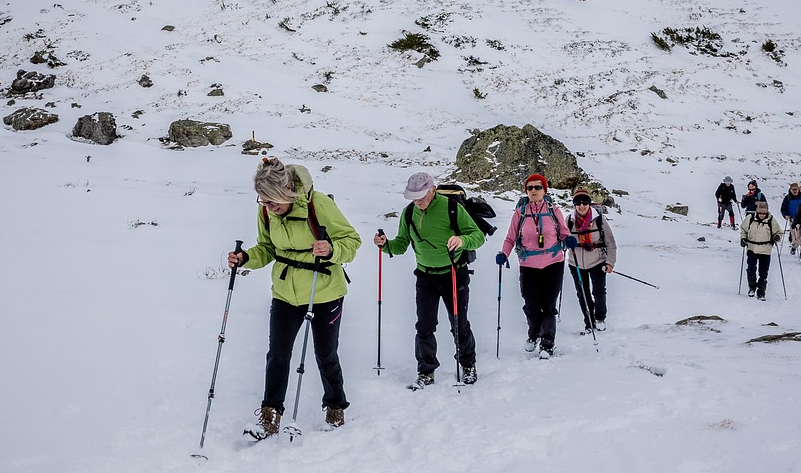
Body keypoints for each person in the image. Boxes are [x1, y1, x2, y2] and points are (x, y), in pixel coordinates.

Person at [231, 158, 361, 440]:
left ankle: (335, 405)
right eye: (263, 201)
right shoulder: (266, 212)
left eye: (273, 201)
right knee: (277, 354)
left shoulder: (319, 205)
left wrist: (331, 249)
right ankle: (270, 413)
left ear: (288, 189)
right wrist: (247, 258)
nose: (268, 207)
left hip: (324, 290)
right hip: (285, 293)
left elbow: (352, 241)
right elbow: (266, 247)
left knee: (325, 354)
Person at [373, 172, 485, 388]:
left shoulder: (451, 208)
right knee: (424, 326)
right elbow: (401, 245)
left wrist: (462, 240)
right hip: (425, 275)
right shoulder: (409, 213)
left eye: (422, 195)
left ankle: (468, 364)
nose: (418, 201)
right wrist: (385, 244)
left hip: (454, 273)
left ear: (432, 190)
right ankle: (426, 371)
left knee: (459, 324)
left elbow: (477, 236)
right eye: (414, 197)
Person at [496, 173, 575, 359]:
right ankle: (534, 333)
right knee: (531, 304)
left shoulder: (553, 210)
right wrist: (503, 254)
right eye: (530, 187)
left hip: (553, 263)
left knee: (548, 305)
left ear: (544, 190)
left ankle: (547, 344)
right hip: (528, 265)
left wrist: (569, 238)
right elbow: (510, 237)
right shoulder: (520, 212)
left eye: (538, 187)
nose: (533, 191)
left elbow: (564, 232)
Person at [566, 188, 617, 333]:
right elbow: (561, 240)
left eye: (585, 202)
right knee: (583, 293)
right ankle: (589, 323)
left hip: (597, 261)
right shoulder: (569, 221)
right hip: (575, 263)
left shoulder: (599, 220)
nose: (581, 206)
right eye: (578, 202)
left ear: (589, 203)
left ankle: (600, 318)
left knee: (598, 291)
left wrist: (610, 262)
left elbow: (611, 243)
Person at [740, 202, 784, 300]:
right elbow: (743, 230)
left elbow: (779, 232)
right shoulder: (750, 218)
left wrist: (777, 237)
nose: (762, 215)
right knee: (751, 269)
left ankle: (761, 292)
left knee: (763, 272)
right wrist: (743, 239)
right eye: (760, 213)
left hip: (765, 249)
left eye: (764, 213)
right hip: (752, 247)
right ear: (757, 211)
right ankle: (751, 287)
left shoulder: (771, 220)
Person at [779, 183, 801, 254]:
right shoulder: (787, 198)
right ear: (790, 190)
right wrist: (785, 215)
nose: (795, 191)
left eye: (796, 189)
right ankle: (794, 246)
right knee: (794, 235)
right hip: (792, 219)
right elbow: (783, 208)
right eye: (793, 190)